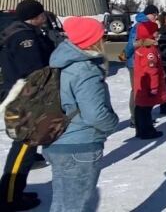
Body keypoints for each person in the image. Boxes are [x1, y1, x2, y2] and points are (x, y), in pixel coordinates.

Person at [45, 17, 118, 212]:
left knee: (62, 203)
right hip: (80, 146)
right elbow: (95, 113)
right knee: (76, 206)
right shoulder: (85, 70)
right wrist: (113, 124)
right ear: (93, 41)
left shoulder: (60, 62)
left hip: (58, 141)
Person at [0, 0, 55, 211]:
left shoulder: (24, 32)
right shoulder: (25, 38)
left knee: (27, 146)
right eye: (42, 14)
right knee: (25, 147)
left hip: (25, 95)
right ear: (35, 16)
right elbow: (34, 71)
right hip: (26, 98)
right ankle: (9, 197)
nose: (45, 17)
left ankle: (13, 191)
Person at [122, 5, 159, 126]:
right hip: (135, 62)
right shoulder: (139, 26)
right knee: (137, 90)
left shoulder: (150, 25)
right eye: (154, 14)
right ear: (148, 14)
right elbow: (132, 44)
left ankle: (144, 116)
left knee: (146, 89)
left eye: (157, 15)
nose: (156, 17)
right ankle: (135, 118)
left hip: (145, 61)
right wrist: (126, 55)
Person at [133, 21, 166, 139]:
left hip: (141, 83)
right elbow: (152, 70)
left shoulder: (142, 47)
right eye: (155, 31)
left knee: (141, 107)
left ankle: (140, 129)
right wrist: (154, 87)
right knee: (145, 109)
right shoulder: (150, 50)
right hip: (148, 85)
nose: (157, 33)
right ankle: (146, 130)